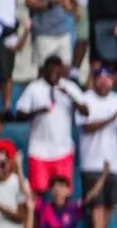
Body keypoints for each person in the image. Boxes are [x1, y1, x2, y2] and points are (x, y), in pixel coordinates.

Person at [75, 65, 117, 228]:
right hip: (92, 160)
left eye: (108, 78)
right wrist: (112, 117)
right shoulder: (85, 99)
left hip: (113, 160)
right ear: (94, 79)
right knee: (96, 203)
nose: (104, 81)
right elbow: (86, 127)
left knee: (109, 204)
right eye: (101, 78)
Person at [15, 56, 84, 195]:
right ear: (44, 70)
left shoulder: (69, 87)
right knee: (38, 194)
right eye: (51, 70)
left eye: (57, 71)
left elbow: (86, 111)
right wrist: (38, 111)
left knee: (62, 195)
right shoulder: (34, 88)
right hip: (39, 151)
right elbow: (19, 114)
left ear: (62, 71)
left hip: (63, 150)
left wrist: (68, 95)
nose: (54, 73)